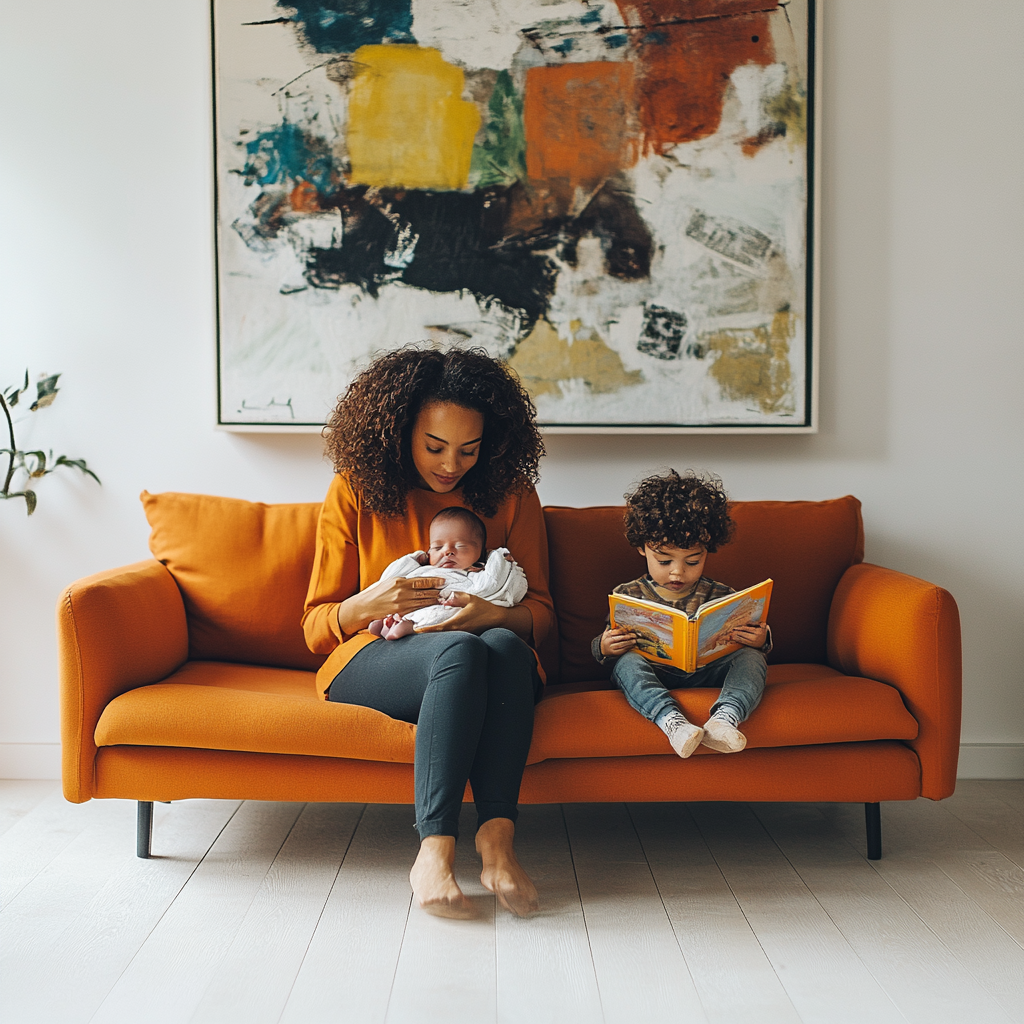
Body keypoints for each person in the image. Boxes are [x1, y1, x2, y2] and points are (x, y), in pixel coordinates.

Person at [302, 346, 553, 919]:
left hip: (490, 653)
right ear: (398, 431)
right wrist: (370, 602)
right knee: (462, 651)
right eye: (435, 447)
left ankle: (496, 845)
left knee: (501, 647)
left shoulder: (511, 493)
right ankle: (434, 851)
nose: (451, 465)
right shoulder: (354, 489)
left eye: (470, 449)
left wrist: (495, 613)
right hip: (377, 657)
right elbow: (317, 625)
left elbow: (541, 614)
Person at [593, 470, 772, 759]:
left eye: (693, 560)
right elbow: (609, 639)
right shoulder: (628, 595)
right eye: (664, 560)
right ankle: (672, 722)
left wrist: (758, 639)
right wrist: (604, 646)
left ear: (708, 550)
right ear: (642, 548)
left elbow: (749, 640)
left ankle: (725, 718)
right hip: (656, 673)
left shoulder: (721, 595)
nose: (678, 571)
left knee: (751, 657)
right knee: (626, 663)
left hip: (707, 672)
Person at [367, 506, 528, 640]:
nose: (447, 552)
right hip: (407, 605)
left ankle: (411, 625)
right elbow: (389, 579)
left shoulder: (475, 575)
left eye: (460, 546)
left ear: (480, 554)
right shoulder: (422, 569)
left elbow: (500, 584)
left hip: (448, 614)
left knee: (451, 612)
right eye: (438, 547)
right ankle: (387, 622)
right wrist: (414, 559)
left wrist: (498, 557)